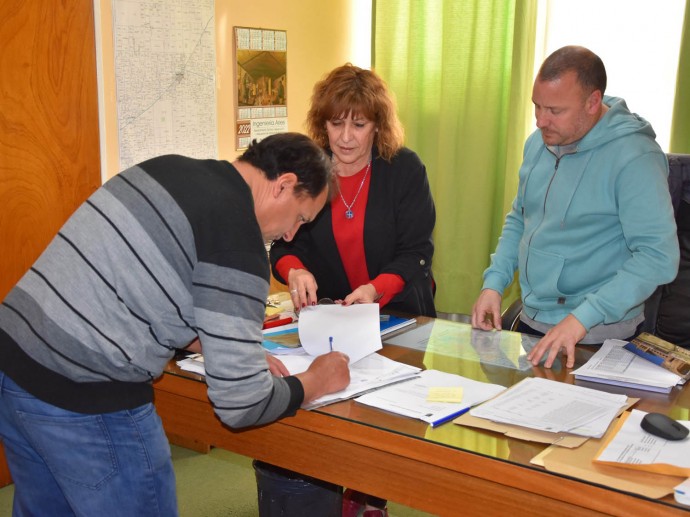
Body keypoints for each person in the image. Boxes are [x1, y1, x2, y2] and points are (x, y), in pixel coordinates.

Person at [0, 132, 351, 516]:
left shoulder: (168, 169)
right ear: (283, 185)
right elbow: (241, 404)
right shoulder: (238, 239)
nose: (290, 234)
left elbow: (145, 290)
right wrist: (317, 379)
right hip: (86, 394)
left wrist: (221, 347)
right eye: (300, 218)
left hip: (15, 364)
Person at [262, 63, 436, 517]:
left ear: (377, 124)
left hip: (395, 312)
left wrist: (376, 289)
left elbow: (417, 251)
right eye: (336, 123)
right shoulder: (308, 171)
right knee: (332, 413)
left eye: (358, 124)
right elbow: (282, 244)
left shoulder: (404, 169)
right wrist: (294, 269)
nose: (346, 136)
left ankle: (367, 498)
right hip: (330, 319)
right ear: (322, 124)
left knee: (382, 420)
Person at [471, 45, 679, 369]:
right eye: (536, 107)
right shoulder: (539, 143)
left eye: (554, 110)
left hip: (597, 337)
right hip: (534, 326)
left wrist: (582, 318)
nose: (541, 121)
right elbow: (520, 218)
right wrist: (494, 283)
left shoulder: (635, 158)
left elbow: (658, 257)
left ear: (593, 102)